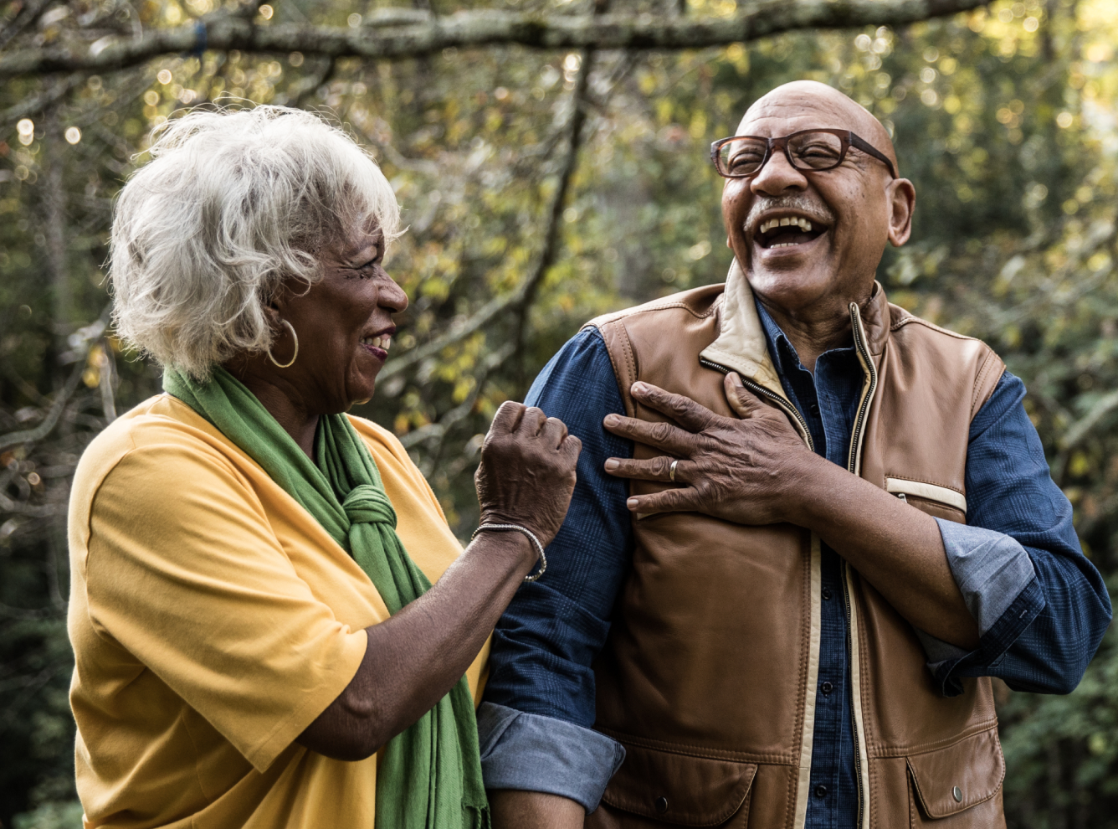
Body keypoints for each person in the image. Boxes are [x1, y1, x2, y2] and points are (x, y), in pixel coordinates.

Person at [478, 81, 1113, 828]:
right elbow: (544, 645)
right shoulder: (618, 364)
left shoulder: (971, 385)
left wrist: (807, 486)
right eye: (745, 161)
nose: (773, 177)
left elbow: (1060, 634)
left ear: (898, 210)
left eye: (819, 153)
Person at [66, 105, 581, 829]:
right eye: (365, 266)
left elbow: (469, 665)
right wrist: (510, 535)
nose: (395, 294)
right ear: (263, 294)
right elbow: (352, 705)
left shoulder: (378, 460)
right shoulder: (146, 473)